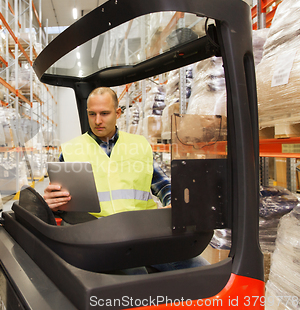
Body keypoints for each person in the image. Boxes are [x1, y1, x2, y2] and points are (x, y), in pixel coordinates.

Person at [43, 86, 208, 272]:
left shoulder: (139, 145)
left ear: (118, 113)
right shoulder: (72, 150)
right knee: (136, 276)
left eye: (104, 113)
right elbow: (60, 201)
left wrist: (173, 202)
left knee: (202, 270)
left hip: (143, 233)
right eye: (92, 114)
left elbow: (163, 184)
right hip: (99, 238)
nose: (97, 121)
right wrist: (53, 203)